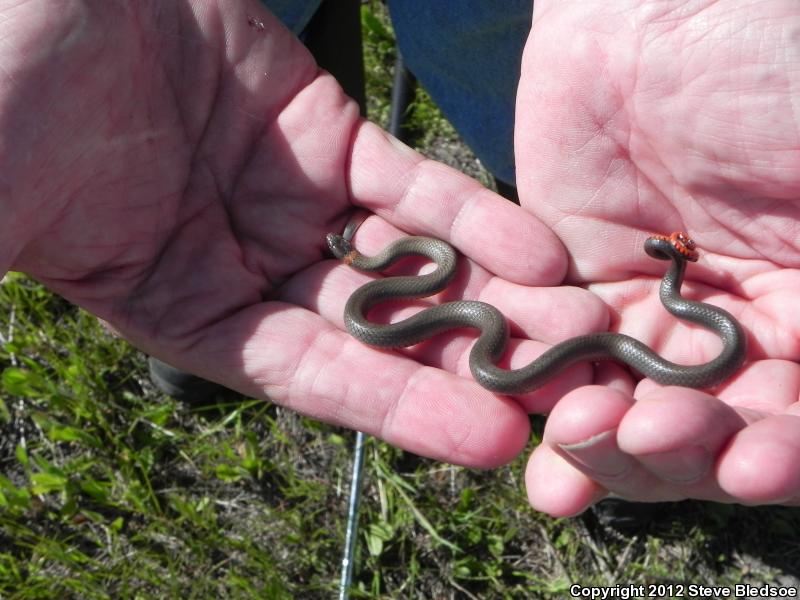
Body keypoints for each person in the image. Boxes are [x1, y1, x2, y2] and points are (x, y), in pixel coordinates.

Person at [2, 0, 799, 518]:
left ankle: (607, 439)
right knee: (211, 283)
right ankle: (197, 365)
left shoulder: (421, 285)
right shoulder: (417, 283)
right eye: (344, 249)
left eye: (344, 248)